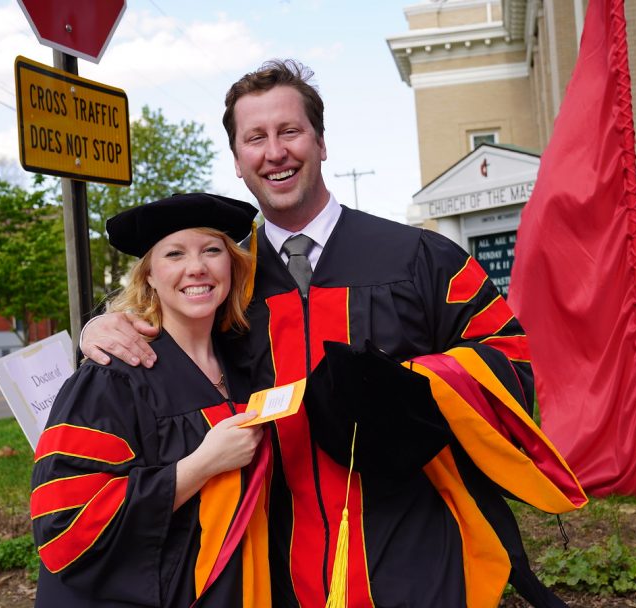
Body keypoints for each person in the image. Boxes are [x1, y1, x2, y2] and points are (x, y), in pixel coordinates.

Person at [81, 60, 586, 607]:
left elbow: (511, 357)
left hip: (413, 546)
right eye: (256, 138)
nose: (274, 152)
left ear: (321, 143)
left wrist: (409, 386)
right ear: (237, 161)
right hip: (276, 563)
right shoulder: (226, 284)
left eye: (289, 131)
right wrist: (100, 325)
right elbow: (174, 352)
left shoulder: (418, 258)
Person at [31, 193, 272, 607]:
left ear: (232, 266)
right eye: (174, 253)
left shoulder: (247, 364)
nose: (196, 267)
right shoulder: (112, 376)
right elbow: (64, 525)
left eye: (212, 250)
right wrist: (200, 465)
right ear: (149, 277)